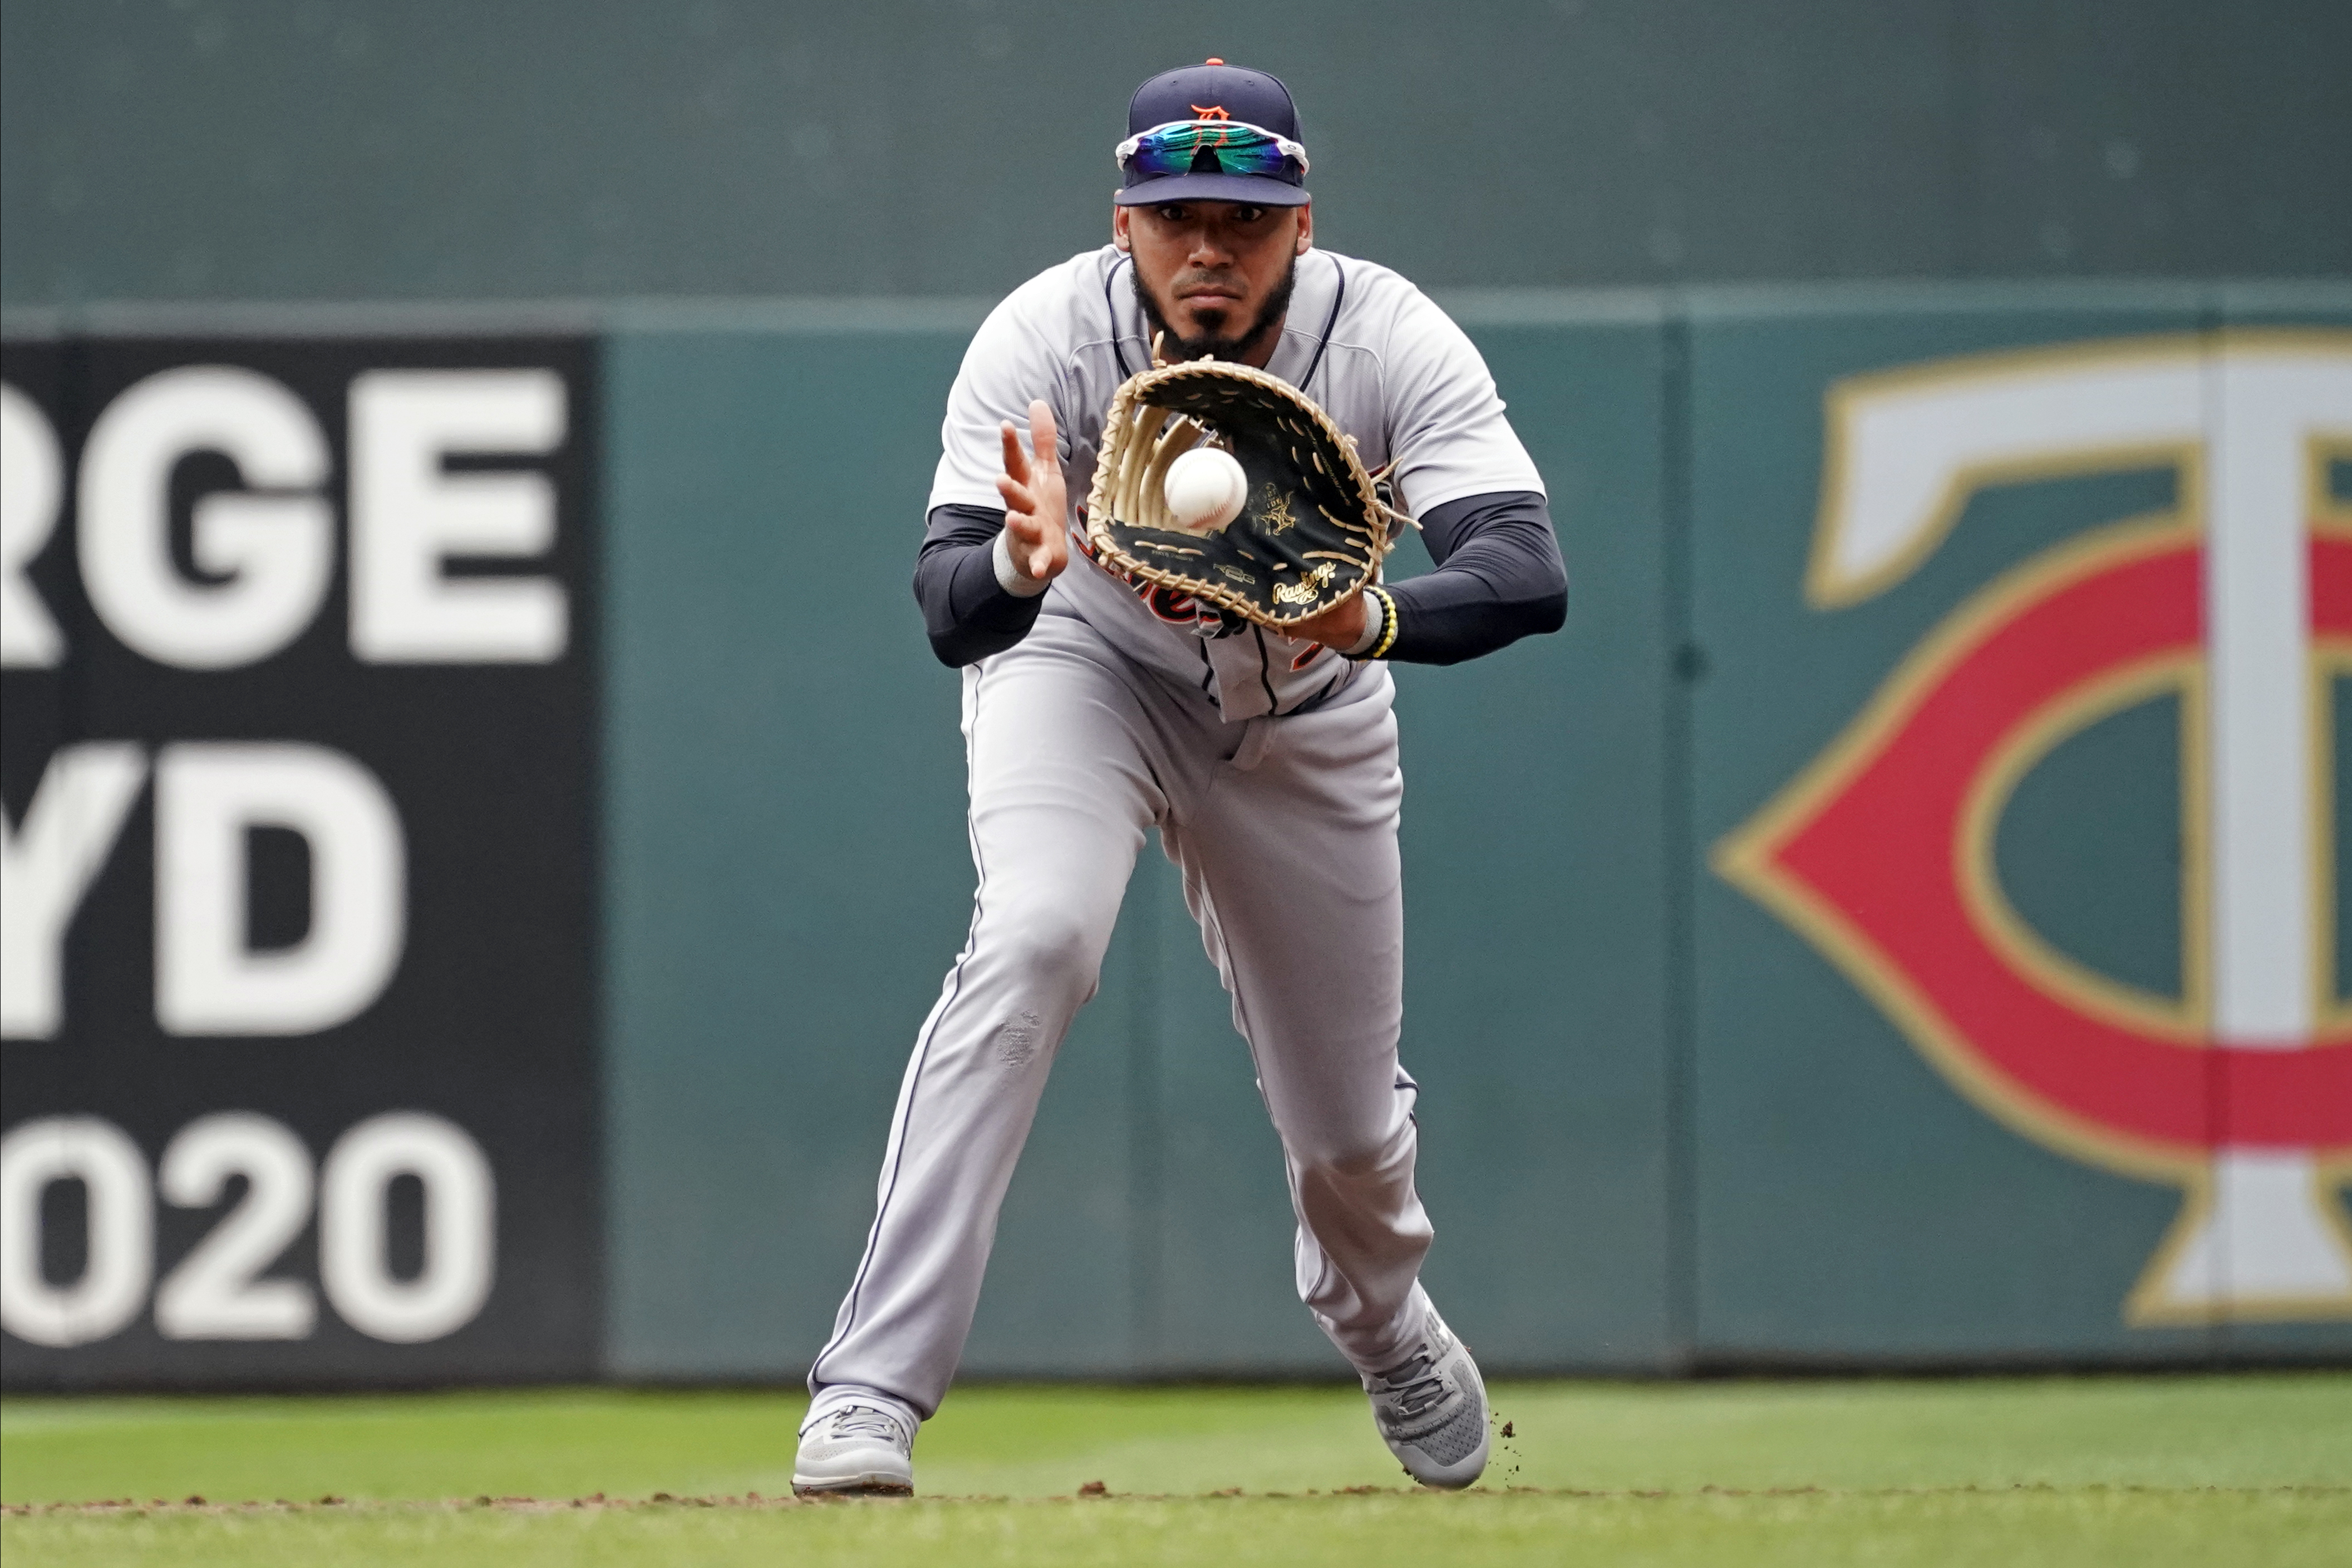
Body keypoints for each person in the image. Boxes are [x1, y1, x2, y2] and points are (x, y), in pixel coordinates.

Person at [793, 59, 1567, 1496]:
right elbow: (946, 604)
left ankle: (1379, 1314)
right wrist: (1019, 565)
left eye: (1242, 216)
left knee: (1346, 1135)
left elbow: (1526, 571)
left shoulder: (1384, 335)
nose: (1207, 247)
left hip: (1310, 709)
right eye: (1174, 215)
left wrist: (1372, 618)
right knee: (1034, 938)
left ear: (1302, 224)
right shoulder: (1042, 336)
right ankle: (869, 1390)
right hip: (1083, 677)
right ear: (1121, 221)